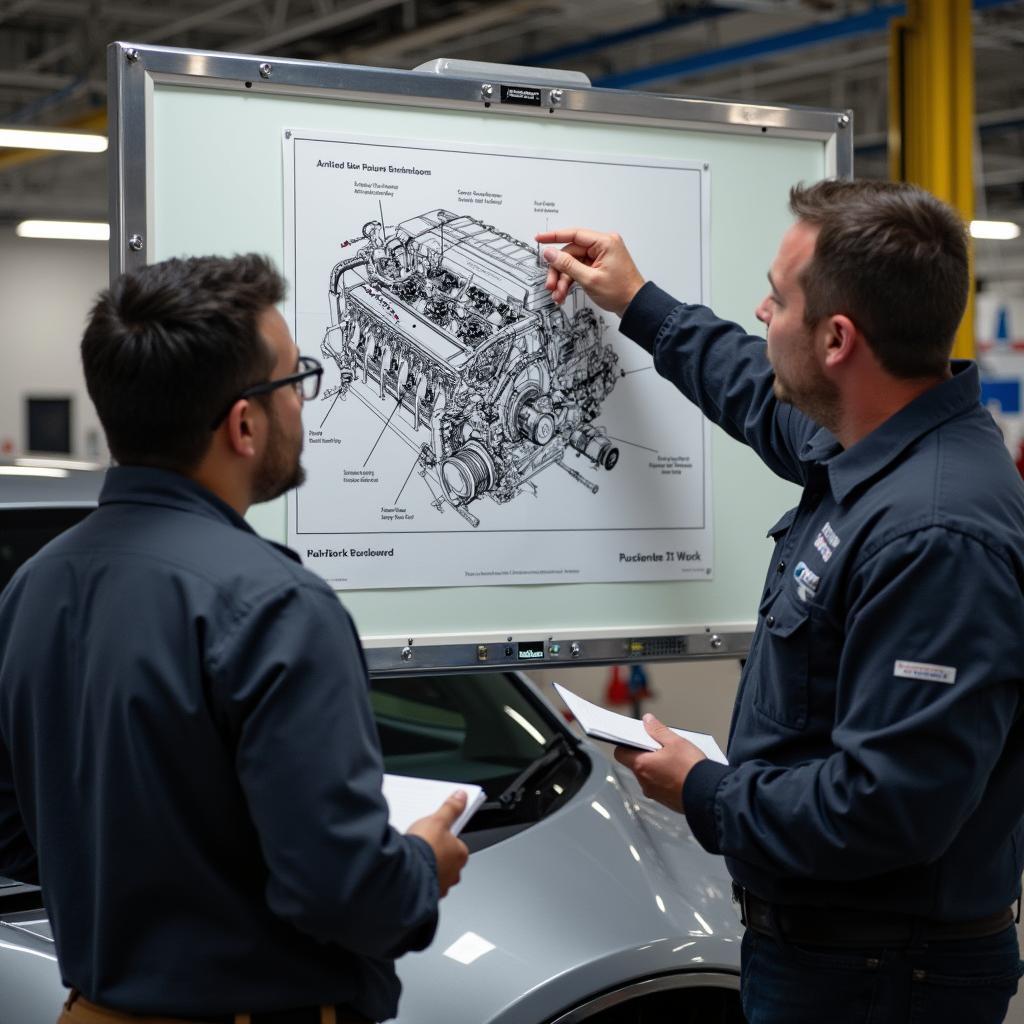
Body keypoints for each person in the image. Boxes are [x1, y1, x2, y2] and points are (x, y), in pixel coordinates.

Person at [536, 179, 1024, 1024]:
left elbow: (884, 809)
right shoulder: (873, 440)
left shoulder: (936, 535)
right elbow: (754, 393)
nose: (761, 312)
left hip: (879, 976)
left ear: (837, 338)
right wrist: (639, 302)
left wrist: (705, 790)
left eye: (777, 296)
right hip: (835, 950)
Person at [0, 254, 469, 1024]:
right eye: (293, 382)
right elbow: (344, 892)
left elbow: (11, 825)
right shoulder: (276, 606)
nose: (302, 407)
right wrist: (422, 865)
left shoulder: (35, 586)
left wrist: (141, 879)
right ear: (244, 423)